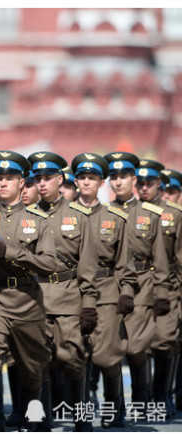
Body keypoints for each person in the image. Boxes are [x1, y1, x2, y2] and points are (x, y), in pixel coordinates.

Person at [0, 150, 55, 432]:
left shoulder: (38, 220)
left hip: (27, 298)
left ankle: (35, 418)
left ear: (22, 183)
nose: (3, 183)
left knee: (32, 366)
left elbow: (49, 263)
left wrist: (12, 253)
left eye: (10, 178)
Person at [27, 151, 98, 431]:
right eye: (38, 179)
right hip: (36, 297)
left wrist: (89, 304)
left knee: (72, 359)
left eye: (47, 178)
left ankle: (81, 416)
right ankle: (41, 418)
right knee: (39, 360)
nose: (42, 184)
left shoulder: (79, 216)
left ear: (60, 179)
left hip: (68, 297)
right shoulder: (27, 216)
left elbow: (88, 265)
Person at [71, 152, 137, 428]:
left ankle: (114, 409)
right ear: (75, 181)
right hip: (72, 291)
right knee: (76, 354)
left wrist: (127, 294)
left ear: (101, 182)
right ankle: (82, 416)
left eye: (92, 178)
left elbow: (125, 262)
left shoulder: (115, 217)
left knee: (106, 355)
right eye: (82, 177)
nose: (86, 182)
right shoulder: (64, 215)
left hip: (107, 292)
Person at [105, 152, 170, 415]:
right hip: (110, 286)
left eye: (123, 176)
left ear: (133, 178)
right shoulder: (101, 213)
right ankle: (117, 407)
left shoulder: (150, 214)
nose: (118, 182)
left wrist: (162, 294)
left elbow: (161, 259)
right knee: (111, 348)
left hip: (143, 286)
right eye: (114, 177)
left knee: (134, 347)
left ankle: (142, 400)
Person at [136, 159, 181, 419]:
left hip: (169, 287)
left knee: (165, 342)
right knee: (139, 345)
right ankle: (142, 396)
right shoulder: (128, 214)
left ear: (159, 186)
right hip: (139, 287)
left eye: (149, 183)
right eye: (140, 183)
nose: (144, 188)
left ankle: (162, 394)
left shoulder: (174, 215)